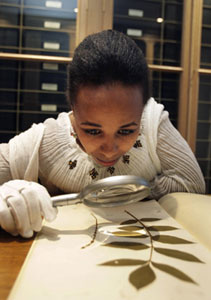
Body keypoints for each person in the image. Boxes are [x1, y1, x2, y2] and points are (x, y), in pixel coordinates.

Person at [0, 30, 205, 238]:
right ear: (72, 106)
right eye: (93, 131)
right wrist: (8, 196)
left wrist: (125, 192)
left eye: (126, 130)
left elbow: (192, 183)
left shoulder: (152, 121)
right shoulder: (45, 141)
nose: (109, 150)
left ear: (142, 110)